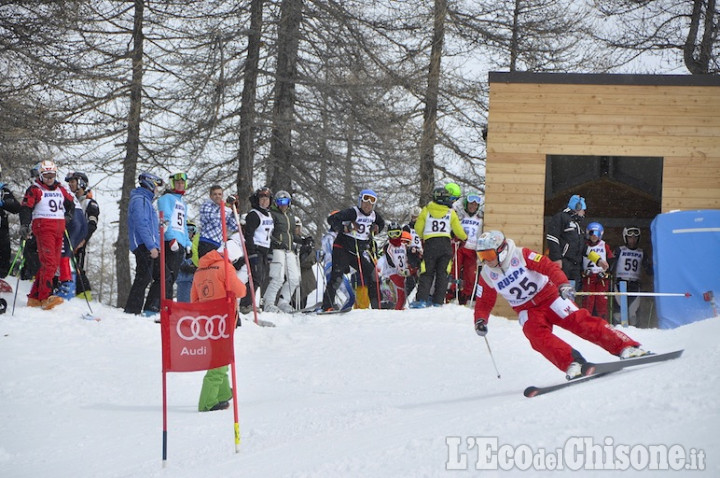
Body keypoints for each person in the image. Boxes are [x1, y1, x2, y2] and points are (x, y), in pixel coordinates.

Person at [472, 230, 648, 380]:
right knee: (536, 337)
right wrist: (480, 320)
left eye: (488, 255)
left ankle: (626, 346)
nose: (486, 261)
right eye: (482, 256)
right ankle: (573, 362)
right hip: (527, 309)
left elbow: (549, 267)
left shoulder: (520, 254)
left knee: (580, 321)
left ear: (501, 250)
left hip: (550, 297)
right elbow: (484, 301)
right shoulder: (488, 274)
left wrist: (562, 284)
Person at [192, 237, 246, 412]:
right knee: (219, 360)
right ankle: (207, 402)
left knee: (219, 356)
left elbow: (194, 298)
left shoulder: (199, 269)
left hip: (207, 320)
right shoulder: (225, 267)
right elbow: (240, 291)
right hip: (223, 320)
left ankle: (222, 393)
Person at [19, 160, 76, 310]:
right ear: (41, 175)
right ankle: (45, 297)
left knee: (52, 264)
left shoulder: (60, 189)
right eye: (46, 175)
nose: (50, 179)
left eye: (52, 175)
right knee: (49, 263)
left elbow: (71, 204)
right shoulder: (35, 189)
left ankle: (34, 297)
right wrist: (25, 224)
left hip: (59, 230)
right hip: (44, 228)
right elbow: (26, 207)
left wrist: (68, 216)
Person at [322, 189, 385, 311]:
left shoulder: (374, 216)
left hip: (356, 252)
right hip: (342, 248)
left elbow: (381, 224)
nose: (367, 206)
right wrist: (345, 228)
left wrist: (376, 228)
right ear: (360, 202)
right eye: (365, 202)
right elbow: (332, 219)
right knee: (337, 276)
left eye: (370, 204)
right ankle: (327, 306)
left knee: (373, 275)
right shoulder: (352, 212)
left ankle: (377, 306)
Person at [410, 183, 467, 308]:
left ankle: (421, 300)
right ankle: (438, 301)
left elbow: (418, 228)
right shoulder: (450, 212)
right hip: (445, 245)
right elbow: (458, 230)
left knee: (427, 272)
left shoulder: (426, 210)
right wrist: (464, 238)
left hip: (430, 244)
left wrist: (423, 235)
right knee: (443, 273)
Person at [124, 172, 163, 316]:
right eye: (157, 185)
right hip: (143, 244)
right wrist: (151, 246)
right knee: (144, 276)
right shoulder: (140, 199)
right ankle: (131, 310)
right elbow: (141, 224)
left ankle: (149, 309)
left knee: (158, 275)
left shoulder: (146, 201)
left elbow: (151, 226)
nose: (157, 189)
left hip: (149, 244)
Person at [262, 190, 300, 313]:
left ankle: (283, 302)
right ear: (276, 203)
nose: (283, 204)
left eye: (286, 202)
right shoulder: (272, 214)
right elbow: (267, 233)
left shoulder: (290, 216)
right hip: (277, 250)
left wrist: (303, 241)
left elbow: (291, 235)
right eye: (280, 202)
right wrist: (276, 242)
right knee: (277, 278)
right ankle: (268, 303)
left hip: (289, 250)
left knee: (294, 278)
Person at [156, 172, 191, 302]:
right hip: (170, 241)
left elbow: (184, 226)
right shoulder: (167, 199)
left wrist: (188, 243)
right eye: (177, 183)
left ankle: (168, 303)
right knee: (168, 276)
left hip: (180, 242)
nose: (180, 185)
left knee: (173, 276)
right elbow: (164, 220)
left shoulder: (182, 203)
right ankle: (163, 303)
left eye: (182, 183)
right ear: (172, 184)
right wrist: (171, 238)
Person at [64, 171, 100, 299]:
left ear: (81, 183)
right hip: (66, 239)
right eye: (69, 182)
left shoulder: (90, 203)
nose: (70, 185)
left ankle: (84, 296)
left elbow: (92, 224)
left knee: (77, 267)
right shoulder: (69, 200)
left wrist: (83, 240)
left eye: (72, 182)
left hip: (79, 241)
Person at [611, 225, 653, 326]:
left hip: (635, 284)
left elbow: (649, 271)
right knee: (619, 312)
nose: (633, 240)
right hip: (620, 284)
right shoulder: (619, 250)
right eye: (630, 237)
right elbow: (610, 266)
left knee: (633, 313)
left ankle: (635, 333)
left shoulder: (642, 252)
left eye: (635, 238)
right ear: (625, 237)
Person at [240, 187, 274, 310]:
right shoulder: (254, 214)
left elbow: (269, 235)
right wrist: (252, 252)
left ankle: (252, 302)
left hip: (265, 249)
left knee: (261, 278)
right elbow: (249, 234)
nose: (264, 201)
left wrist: (270, 251)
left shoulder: (269, 215)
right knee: (255, 278)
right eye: (262, 199)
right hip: (256, 249)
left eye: (267, 199)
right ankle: (245, 303)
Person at [449, 191, 484, 305]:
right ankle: (452, 293)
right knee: (455, 270)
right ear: (466, 204)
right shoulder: (460, 215)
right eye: (470, 204)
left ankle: (467, 296)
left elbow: (482, 234)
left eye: (475, 205)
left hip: (473, 248)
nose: (472, 207)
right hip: (460, 247)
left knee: (470, 274)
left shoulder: (480, 218)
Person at [546, 194, 588, 291]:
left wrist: (598, 260)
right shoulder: (561, 217)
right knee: (559, 290)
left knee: (572, 292)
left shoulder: (578, 225)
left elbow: (583, 247)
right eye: (583, 209)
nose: (584, 212)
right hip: (564, 262)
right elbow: (552, 238)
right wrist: (557, 258)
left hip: (575, 265)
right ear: (578, 207)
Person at [376, 222, 416, 309]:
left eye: (396, 233)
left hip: (403, 273)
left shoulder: (403, 246)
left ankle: (400, 308)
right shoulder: (388, 247)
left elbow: (406, 258)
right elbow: (389, 260)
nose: (394, 236)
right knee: (400, 293)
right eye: (392, 234)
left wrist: (408, 268)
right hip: (392, 273)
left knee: (404, 293)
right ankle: (397, 309)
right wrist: (398, 270)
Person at [581, 222, 613, 321]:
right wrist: (582, 272)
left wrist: (607, 272)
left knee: (601, 302)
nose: (594, 236)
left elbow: (611, 261)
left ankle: (602, 321)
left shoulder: (604, 246)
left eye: (597, 233)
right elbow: (578, 261)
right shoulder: (584, 246)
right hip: (588, 278)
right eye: (591, 233)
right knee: (588, 301)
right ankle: (586, 321)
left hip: (601, 278)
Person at [198, 185, 239, 258]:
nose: (217, 196)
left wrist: (234, 212)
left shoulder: (223, 208)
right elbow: (215, 220)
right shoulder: (206, 205)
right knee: (207, 267)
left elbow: (233, 226)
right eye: (215, 194)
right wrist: (226, 207)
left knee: (217, 268)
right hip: (207, 241)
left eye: (219, 194)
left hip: (218, 244)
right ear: (210, 196)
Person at [290, 217, 317, 310]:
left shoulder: (305, 242)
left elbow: (313, 259)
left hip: (304, 278)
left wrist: (307, 252)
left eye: (298, 227)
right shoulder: (287, 241)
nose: (296, 229)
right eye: (294, 227)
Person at [0, 165, 22, 278]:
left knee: (4, 253)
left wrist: (4, 202)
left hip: (2, 230)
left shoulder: (3, 190)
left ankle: (3, 277)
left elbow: (17, 207)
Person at [176, 221, 199, 303]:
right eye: (187, 230)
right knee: (185, 305)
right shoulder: (180, 244)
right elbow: (177, 261)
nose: (189, 232)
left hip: (197, 281)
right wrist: (186, 266)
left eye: (191, 230)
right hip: (184, 280)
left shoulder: (195, 244)